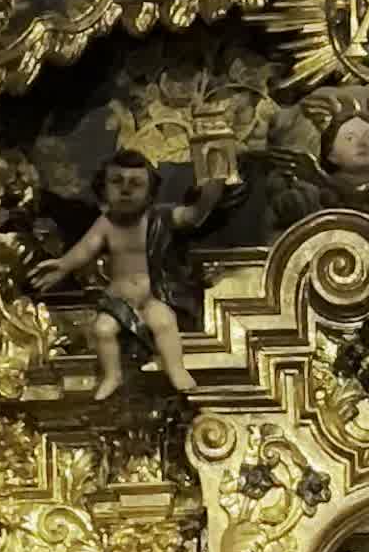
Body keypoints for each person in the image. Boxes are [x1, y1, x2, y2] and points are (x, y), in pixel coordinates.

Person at [28, 151, 239, 401]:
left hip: (152, 296)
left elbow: (194, 215)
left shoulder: (160, 217)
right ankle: (111, 375)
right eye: (117, 182)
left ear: (150, 191)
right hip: (118, 300)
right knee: (103, 329)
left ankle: (177, 369)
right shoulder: (105, 224)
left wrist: (213, 185)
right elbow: (86, 249)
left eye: (136, 184)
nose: (126, 190)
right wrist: (63, 265)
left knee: (164, 323)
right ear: (103, 189)